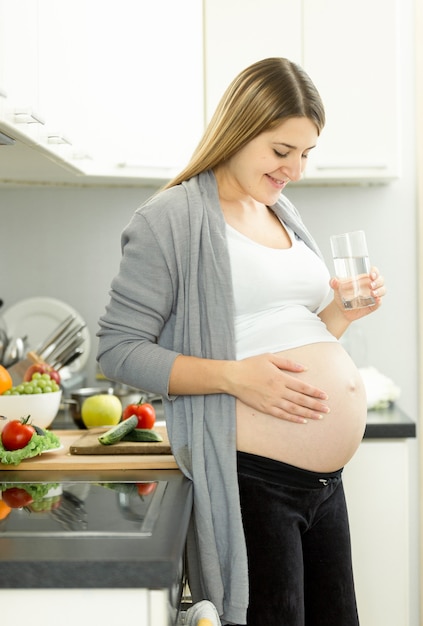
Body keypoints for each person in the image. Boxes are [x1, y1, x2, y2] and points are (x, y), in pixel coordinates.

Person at [97, 57, 386, 626]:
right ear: (238, 129)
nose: (295, 170)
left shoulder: (281, 210)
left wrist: (342, 314)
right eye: (282, 152)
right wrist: (236, 377)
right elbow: (119, 350)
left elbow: (291, 332)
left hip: (325, 486)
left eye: (306, 154)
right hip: (252, 480)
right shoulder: (170, 219)